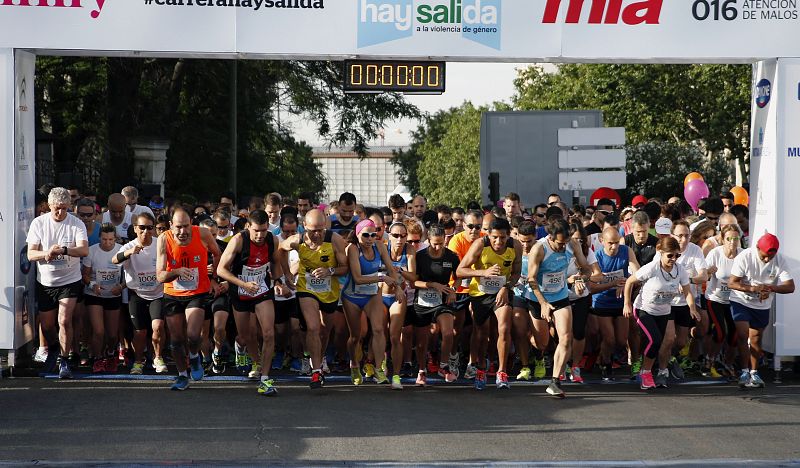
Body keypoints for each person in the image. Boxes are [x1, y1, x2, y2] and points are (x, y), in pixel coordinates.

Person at [217, 210, 287, 396]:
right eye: (256, 231)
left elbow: (275, 262)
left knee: (268, 333)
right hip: (240, 290)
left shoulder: (272, 240)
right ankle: (248, 353)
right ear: (248, 227)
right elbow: (221, 270)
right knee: (247, 335)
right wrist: (243, 284)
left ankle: (265, 378)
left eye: (263, 230)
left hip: (262, 289)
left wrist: (278, 281)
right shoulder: (238, 240)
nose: (260, 235)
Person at [526, 217, 596, 398]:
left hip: (560, 295)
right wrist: (543, 303)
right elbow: (531, 279)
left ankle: (555, 381)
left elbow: (587, 269)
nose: (563, 247)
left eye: (565, 242)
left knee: (566, 337)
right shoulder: (539, 249)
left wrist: (581, 279)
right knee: (542, 343)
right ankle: (535, 350)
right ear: (550, 237)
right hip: (538, 298)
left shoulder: (572, 244)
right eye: (559, 243)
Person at [279, 209, 349, 390]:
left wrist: (329, 271)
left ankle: (320, 356)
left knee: (325, 330)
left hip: (329, 290)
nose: (317, 234)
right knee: (313, 327)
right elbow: (280, 250)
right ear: (304, 226)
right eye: (313, 231)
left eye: (320, 230)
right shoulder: (297, 240)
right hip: (306, 287)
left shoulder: (334, 240)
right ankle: (316, 371)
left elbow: (345, 267)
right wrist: (287, 274)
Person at [156, 209, 223, 391]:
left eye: (186, 226)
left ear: (191, 223)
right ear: (171, 225)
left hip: (197, 292)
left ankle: (194, 357)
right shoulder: (164, 239)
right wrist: (176, 272)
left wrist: (213, 277)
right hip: (173, 294)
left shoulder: (203, 233)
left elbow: (217, 253)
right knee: (177, 340)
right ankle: (182, 375)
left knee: (193, 335)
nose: (183, 231)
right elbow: (160, 276)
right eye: (178, 227)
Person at [27, 187, 90, 378]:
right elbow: (31, 254)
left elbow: (84, 250)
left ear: (69, 206)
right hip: (46, 281)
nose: (60, 212)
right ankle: (54, 348)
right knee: (47, 325)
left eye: (64, 208)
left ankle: (64, 359)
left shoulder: (76, 223)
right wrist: (46, 253)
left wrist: (63, 250)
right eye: (57, 208)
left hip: (70, 280)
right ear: (49, 205)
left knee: (64, 320)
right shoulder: (39, 223)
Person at [623, 237, 700, 390]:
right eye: (670, 255)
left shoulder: (680, 270)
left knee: (656, 342)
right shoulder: (652, 268)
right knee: (655, 340)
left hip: (664, 311)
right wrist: (627, 303)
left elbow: (687, 292)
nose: (674, 259)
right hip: (644, 309)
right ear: (660, 252)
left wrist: (692, 308)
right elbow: (630, 282)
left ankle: (647, 370)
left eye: (677, 255)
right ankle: (645, 373)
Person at [457, 218, 523, 391]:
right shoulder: (480, 244)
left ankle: (502, 372)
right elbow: (460, 270)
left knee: (504, 328)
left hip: (502, 290)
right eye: (495, 237)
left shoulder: (516, 246)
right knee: (481, 332)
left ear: (508, 235)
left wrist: (507, 287)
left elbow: (516, 272)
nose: (498, 242)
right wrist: (483, 272)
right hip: (480, 293)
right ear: (488, 235)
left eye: (502, 237)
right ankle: (480, 369)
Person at [728, 233, 795, 388]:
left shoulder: (780, 260)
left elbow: (790, 287)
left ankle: (754, 372)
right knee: (743, 334)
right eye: (764, 256)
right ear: (757, 248)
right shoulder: (745, 256)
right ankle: (744, 371)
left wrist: (770, 288)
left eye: (770, 257)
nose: (766, 259)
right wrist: (753, 288)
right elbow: (732, 283)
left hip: (762, 305)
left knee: (756, 339)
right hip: (740, 301)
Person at [342, 220, 403, 386]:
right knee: (356, 336)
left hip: (372, 294)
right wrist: (382, 278)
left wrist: (397, 287)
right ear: (357, 235)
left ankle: (378, 369)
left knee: (378, 329)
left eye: (373, 235)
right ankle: (354, 364)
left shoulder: (379, 246)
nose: (369, 238)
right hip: (352, 296)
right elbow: (357, 278)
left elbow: (391, 269)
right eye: (365, 235)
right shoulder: (353, 248)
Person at [114, 212, 168, 374]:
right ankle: (138, 361)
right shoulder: (129, 246)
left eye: (150, 228)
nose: (146, 232)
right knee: (140, 332)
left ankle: (158, 358)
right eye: (142, 228)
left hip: (158, 293)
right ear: (135, 228)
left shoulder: (159, 244)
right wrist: (129, 253)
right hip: (137, 294)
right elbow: (114, 260)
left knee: (158, 326)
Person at [657, 220, 708, 382]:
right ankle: (661, 370)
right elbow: (653, 273)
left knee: (680, 342)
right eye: (680, 236)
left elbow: (704, 276)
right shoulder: (664, 249)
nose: (684, 240)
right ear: (672, 235)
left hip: (686, 302)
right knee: (669, 338)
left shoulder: (695, 250)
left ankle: (667, 358)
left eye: (687, 235)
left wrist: (687, 281)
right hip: (667, 302)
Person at [588, 227, 640, 381]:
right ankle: (606, 363)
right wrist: (613, 284)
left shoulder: (626, 251)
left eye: (617, 242)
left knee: (621, 341)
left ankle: (605, 356)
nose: (614, 246)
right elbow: (591, 288)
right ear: (602, 241)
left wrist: (626, 283)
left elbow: (638, 274)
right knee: (609, 339)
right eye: (610, 243)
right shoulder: (596, 257)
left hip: (620, 301)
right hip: (602, 302)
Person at [412, 224, 461, 385]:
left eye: (441, 243)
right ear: (428, 240)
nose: (438, 247)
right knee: (422, 341)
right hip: (422, 300)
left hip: (443, 300)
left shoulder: (451, 256)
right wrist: (432, 284)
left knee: (448, 333)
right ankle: (422, 370)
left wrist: (453, 290)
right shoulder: (420, 256)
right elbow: (413, 282)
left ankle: (444, 366)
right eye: (434, 244)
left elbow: (459, 276)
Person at [448, 210, 486, 379]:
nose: (474, 230)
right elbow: (457, 270)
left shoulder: (485, 238)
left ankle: (473, 362)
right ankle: (453, 356)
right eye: (470, 226)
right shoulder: (456, 241)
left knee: (478, 325)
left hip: (478, 288)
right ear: (463, 225)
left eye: (478, 227)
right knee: (457, 326)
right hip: (459, 287)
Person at [81, 223, 124, 373]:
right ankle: (97, 358)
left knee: (112, 335)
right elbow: (85, 275)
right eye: (104, 239)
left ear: (115, 238)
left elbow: (130, 274)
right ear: (99, 237)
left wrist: (121, 287)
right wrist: (92, 285)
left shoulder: (121, 250)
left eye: (110, 239)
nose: (107, 243)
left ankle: (111, 354)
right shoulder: (92, 251)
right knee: (99, 331)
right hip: (95, 295)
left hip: (113, 295)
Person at [703, 224, 743, 379]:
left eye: (735, 238)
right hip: (715, 298)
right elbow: (703, 275)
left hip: (735, 299)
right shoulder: (715, 253)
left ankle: (728, 363)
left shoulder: (743, 255)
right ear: (722, 239)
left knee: (735, 335)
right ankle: (710, 359)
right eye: (729, 239)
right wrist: (708, 272)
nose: (732, 242)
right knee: (720, 333)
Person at [383, 221, 417, 389]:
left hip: (399, 297)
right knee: (379, 333)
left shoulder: (409, 250)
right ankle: (379, 365)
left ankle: (396, 376)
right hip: (381, 296)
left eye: (403, 236)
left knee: (395, 337)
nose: (399, 239)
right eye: (395, 235)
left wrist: (400, 271)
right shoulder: (382, 248)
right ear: (389, 236)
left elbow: (413, 277)